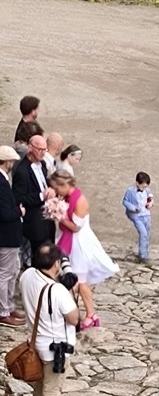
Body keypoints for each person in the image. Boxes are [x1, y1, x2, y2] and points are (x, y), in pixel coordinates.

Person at [19, 243, 79, 396]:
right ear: (55, 263)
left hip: (35, 343)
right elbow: (73, 318)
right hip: (56, 349)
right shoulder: (58, 290)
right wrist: (69, 288)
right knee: (51, 390)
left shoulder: (27, 276)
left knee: (39, 385)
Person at [51, 172, 117, 328]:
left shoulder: (79, 201)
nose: (57, 192)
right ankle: (87, 312)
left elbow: (76, 227)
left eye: (57, 188)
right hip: (71, 240)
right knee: (79, 281)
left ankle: (90, 314)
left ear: (64, 185)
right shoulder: (68, 197)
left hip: (79, 242)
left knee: (80, 281)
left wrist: (59, 217)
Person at [12, 133, 55, 265]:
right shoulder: (22, 171)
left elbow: (43, 183)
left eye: (45, 150)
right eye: (39, 149)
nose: (42, 153)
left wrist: (51, 189)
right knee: (39, 255)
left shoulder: (42, 165)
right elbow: (19, 198)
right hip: (34, 221)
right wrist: (41, 196)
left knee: (50, 251)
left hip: (47, 218)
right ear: (30, 148)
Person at [0, 144, 25, 327]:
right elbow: (5, 213)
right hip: (6, 235)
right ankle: (3, 311)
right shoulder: (1, 183)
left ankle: (7, 306)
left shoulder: (3, 180)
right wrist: (19, 212)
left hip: (10, 236)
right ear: (6, 162)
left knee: (12, 270)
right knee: (5, 274)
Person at [122, 172, 153, 261]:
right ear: (137, 183)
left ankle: (144, 252)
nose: (144, 188)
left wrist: (150, 204)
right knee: (143, 233)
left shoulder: (147, 191)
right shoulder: (130, 191)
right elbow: (125, 201)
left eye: (146, 187)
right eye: (142, 187)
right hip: (136, 215)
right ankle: (143, 256)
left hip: (146, 214)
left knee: (147, 234)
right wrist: (133, 208)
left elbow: (150, 199)